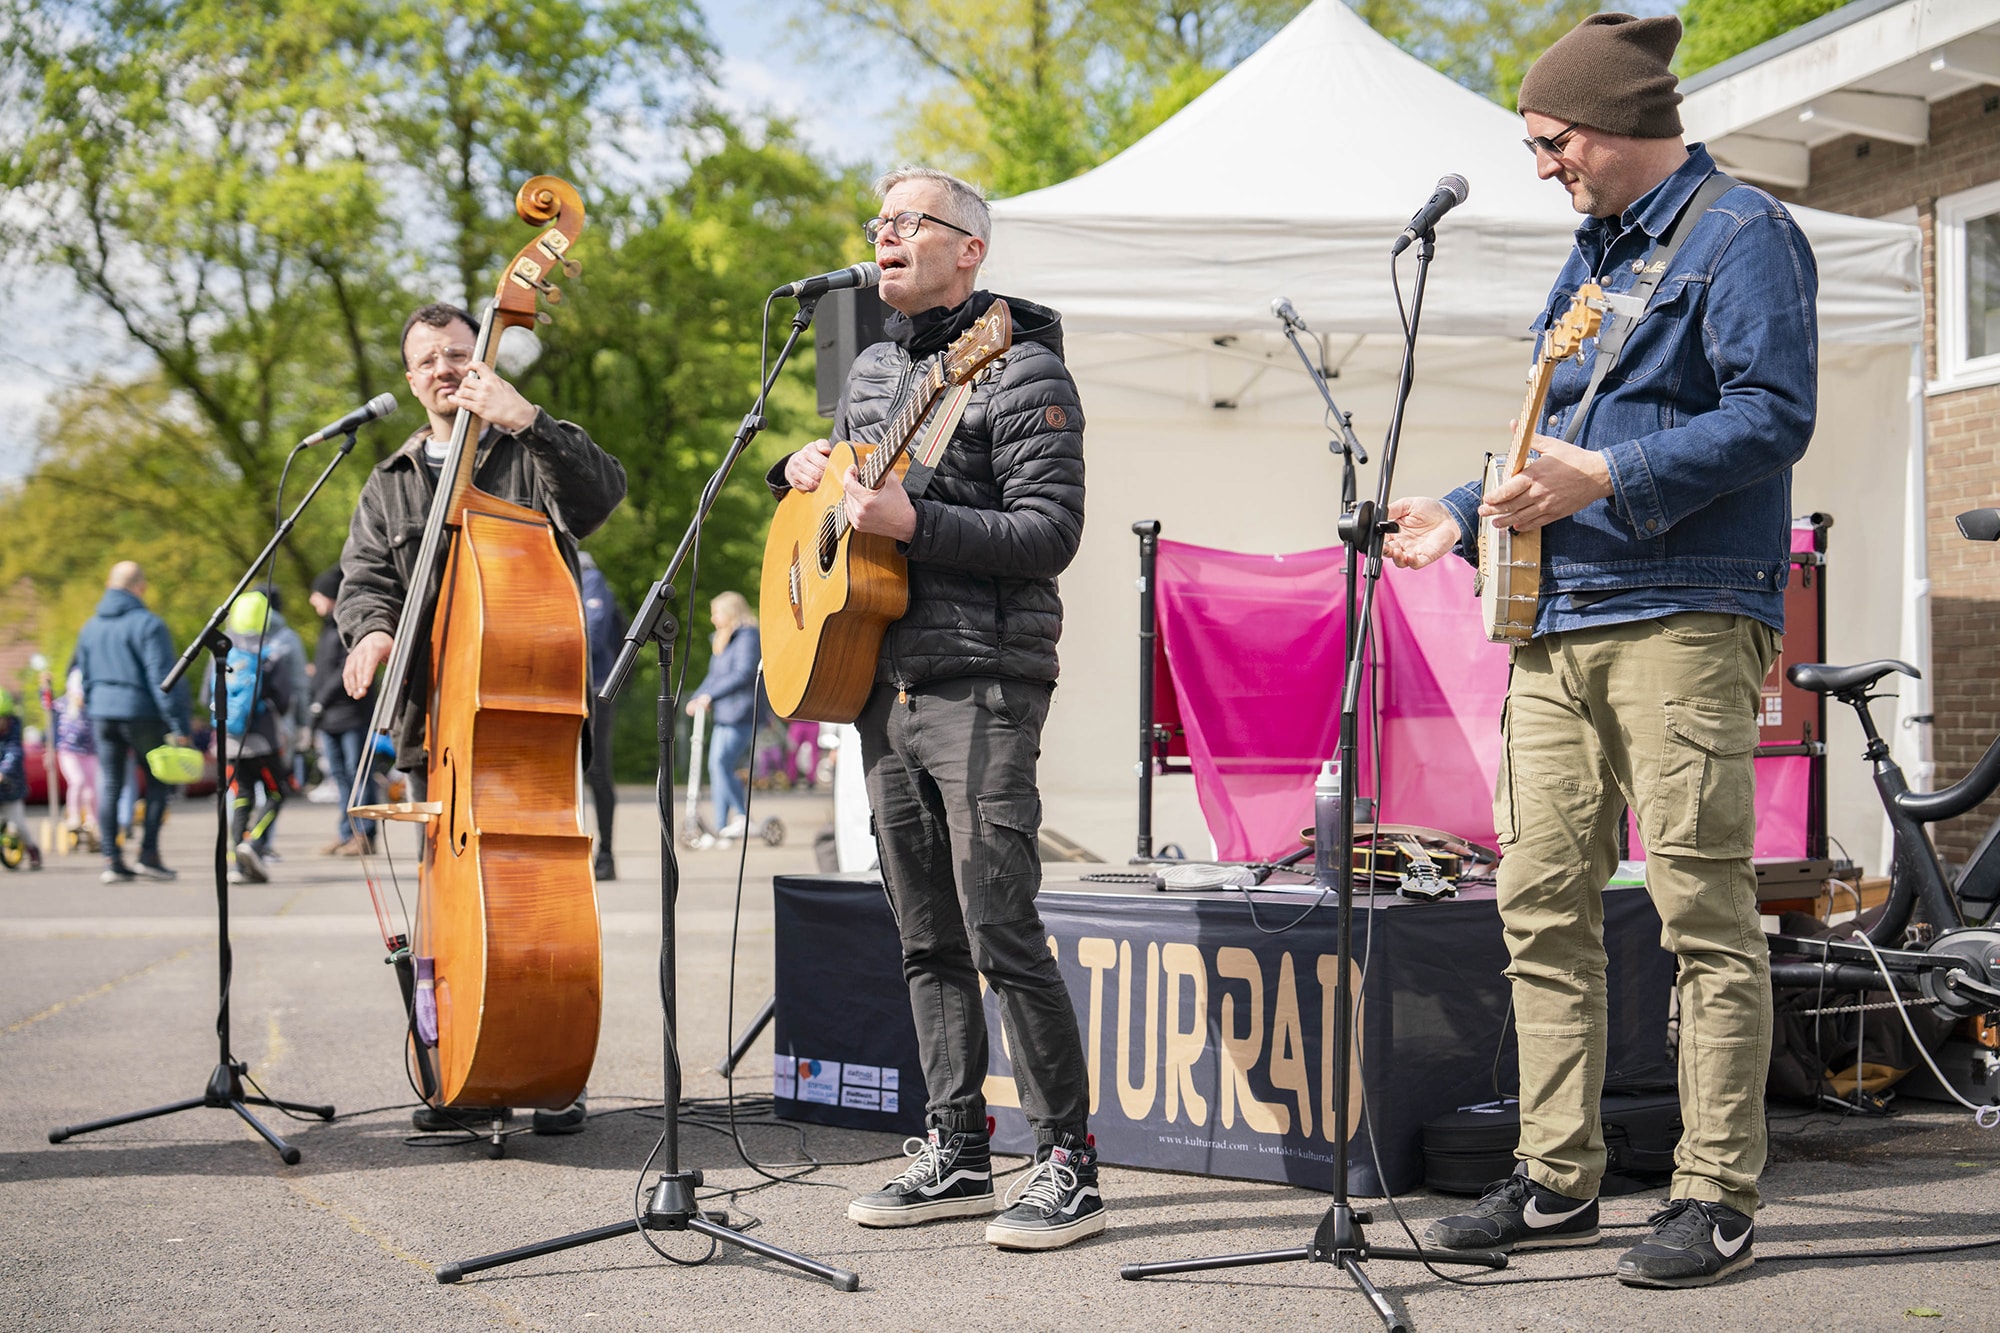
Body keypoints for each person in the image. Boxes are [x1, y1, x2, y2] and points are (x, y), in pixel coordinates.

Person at [1384, 14, 1817, 1290]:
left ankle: (1715, 1193)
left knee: (1701, 913)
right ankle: (1556, 1177)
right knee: (1539, 908)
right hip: (1555, 626)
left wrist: (1610, 475)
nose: (1538, 165)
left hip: (1681, 612)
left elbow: (1772, 415)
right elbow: (1547, 440)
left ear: (1619, 120)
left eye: (1549, 140)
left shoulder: (1743, 234)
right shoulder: (1592, 259)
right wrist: (1459, 513)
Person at [770, 167, 1098, 1251]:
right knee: (922, 935)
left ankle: (1065, 1161)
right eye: (877, 222)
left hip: (984, 680)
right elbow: (843, 505)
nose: (885, 236)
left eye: (908, 221)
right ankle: (955, 1145)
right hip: (881, 679)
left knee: (999, 923)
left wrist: (916, 521)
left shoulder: (1022, 371)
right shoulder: (871, 368)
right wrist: (799, 466)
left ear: (971, 250)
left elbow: (1048, 534)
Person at [337, 300, 626, 1138]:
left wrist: (529, 419)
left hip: (519, 715)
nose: (444, 368)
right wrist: (373, 629)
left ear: (483, 356)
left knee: (540, 905)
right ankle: (463, 1067)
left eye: (458, 353)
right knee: (448, 917)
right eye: (427, 358)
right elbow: (363, 580)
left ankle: (547, 1059)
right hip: (440, 724)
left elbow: (601, 495)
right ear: (409, 375)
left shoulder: (522, 445)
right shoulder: (388, 480)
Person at [71, 560, 190, 883]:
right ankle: (148, 855)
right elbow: (163, 678)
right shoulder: (148, 624)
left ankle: (112, 859)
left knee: (109, 784)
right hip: (141, 714)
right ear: (141, 587)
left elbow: (79, 674)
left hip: (102, 714)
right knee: (157, 782)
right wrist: (180, 726)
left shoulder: (89, 626)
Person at [215, 591, 295, 885]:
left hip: (231, 744)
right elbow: (284, 700)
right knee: (277, 792)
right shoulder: (269, 658)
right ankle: (255, 842)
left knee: (242, 796)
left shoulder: (223, 655)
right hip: (263, 741)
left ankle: (237, 862)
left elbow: (207, 697)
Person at [684, 591, 760, 846]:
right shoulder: (723, 640)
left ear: (731, 613)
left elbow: (743, 674)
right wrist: (698, 697)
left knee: (719, 763)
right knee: (716, 767)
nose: (713, 618)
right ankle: (721, 826)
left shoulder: (748, 637)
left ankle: (741, 815)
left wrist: (710, 696)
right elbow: (713, 677)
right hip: (724, 713)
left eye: (717, 612)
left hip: (741, 711)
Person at [308, 567, 375, 855]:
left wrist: (320, 699)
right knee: (339, 776)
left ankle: (365, 834)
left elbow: (341, 671)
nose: (312, 600)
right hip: (329, 717)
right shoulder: (325, 630)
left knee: (357, 773)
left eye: (317, 594)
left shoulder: (347, 627)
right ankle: (347, 831)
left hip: (351, 713)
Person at [579, 551, 626, 879]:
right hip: (566, 687)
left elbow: (593, 637)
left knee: (596, 773)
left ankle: (606, 854)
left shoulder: (590, 577)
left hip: (594, 688)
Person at [54, 671, 100, 850]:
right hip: (69, 752)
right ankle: (73, 816)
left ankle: (92, 820)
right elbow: (48, 709)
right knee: (77, 781)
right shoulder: (63, 705)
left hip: (90, 752)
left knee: (93, 790)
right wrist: (45, 688)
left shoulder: (93, 705)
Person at [0, 689, 44, 870]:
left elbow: (14, 754)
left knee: (19, 824)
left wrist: (3, 771)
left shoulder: (12, 737)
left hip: (11, 789)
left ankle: (32, 848)